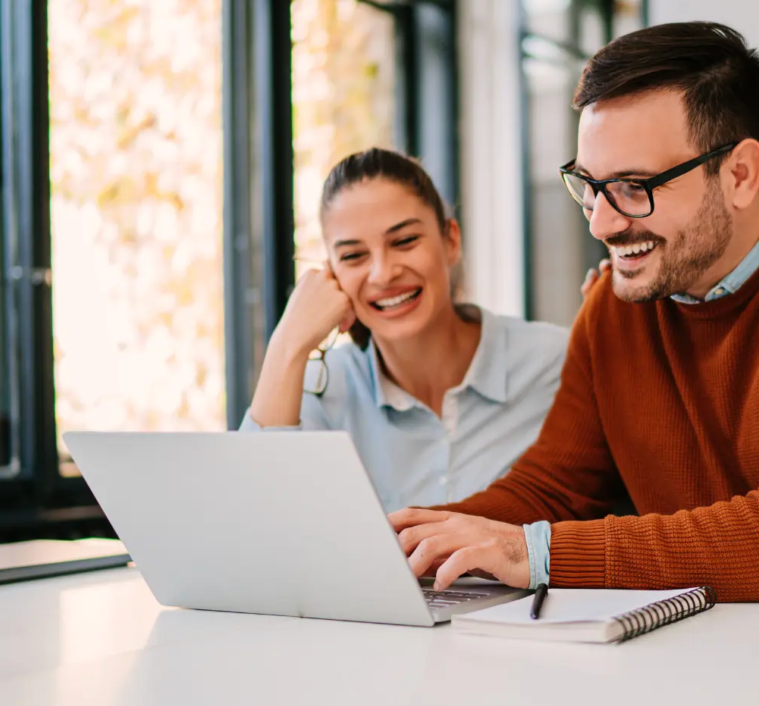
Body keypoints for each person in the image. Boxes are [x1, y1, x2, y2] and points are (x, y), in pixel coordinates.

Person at [390, 22, 759, 601]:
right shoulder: (619, 306)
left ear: (740, 174)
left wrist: (534, 553)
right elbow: (554, 490)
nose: (601, 221)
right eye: (590, 185)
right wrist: (405, 544)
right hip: (709, 658)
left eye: (634, 186)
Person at [242, 148, 568, 515]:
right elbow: (253, 522)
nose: (383, 273)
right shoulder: (321, 387)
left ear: (451, 241)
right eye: (353, 256)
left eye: (404, 241)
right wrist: (288, 343)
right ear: (332, 273)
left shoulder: (556, 363)